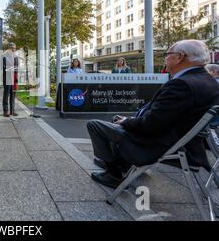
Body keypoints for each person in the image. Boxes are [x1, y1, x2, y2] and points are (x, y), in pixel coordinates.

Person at [87, 40, 219, 188]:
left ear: (180, 57)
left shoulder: (182, 84)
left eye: (167, 54)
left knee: (95, 125)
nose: (165, 59)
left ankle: (114, 174)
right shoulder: (209, 81)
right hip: (186, 142)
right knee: (117, 120)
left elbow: (150, 125)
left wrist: (126, 121)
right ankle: (121, 163)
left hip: (158, 143)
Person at [3, 42, 19, 118]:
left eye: (14, 48)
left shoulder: (16, 57)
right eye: (12, 48)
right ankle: (5, 111)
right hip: (7, 77)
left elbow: (17, 67)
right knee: (6, 95)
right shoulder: (4, 56)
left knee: (13, 95)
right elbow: (3, 67)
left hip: (14, 78)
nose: (13, 49)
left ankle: (12, 111)